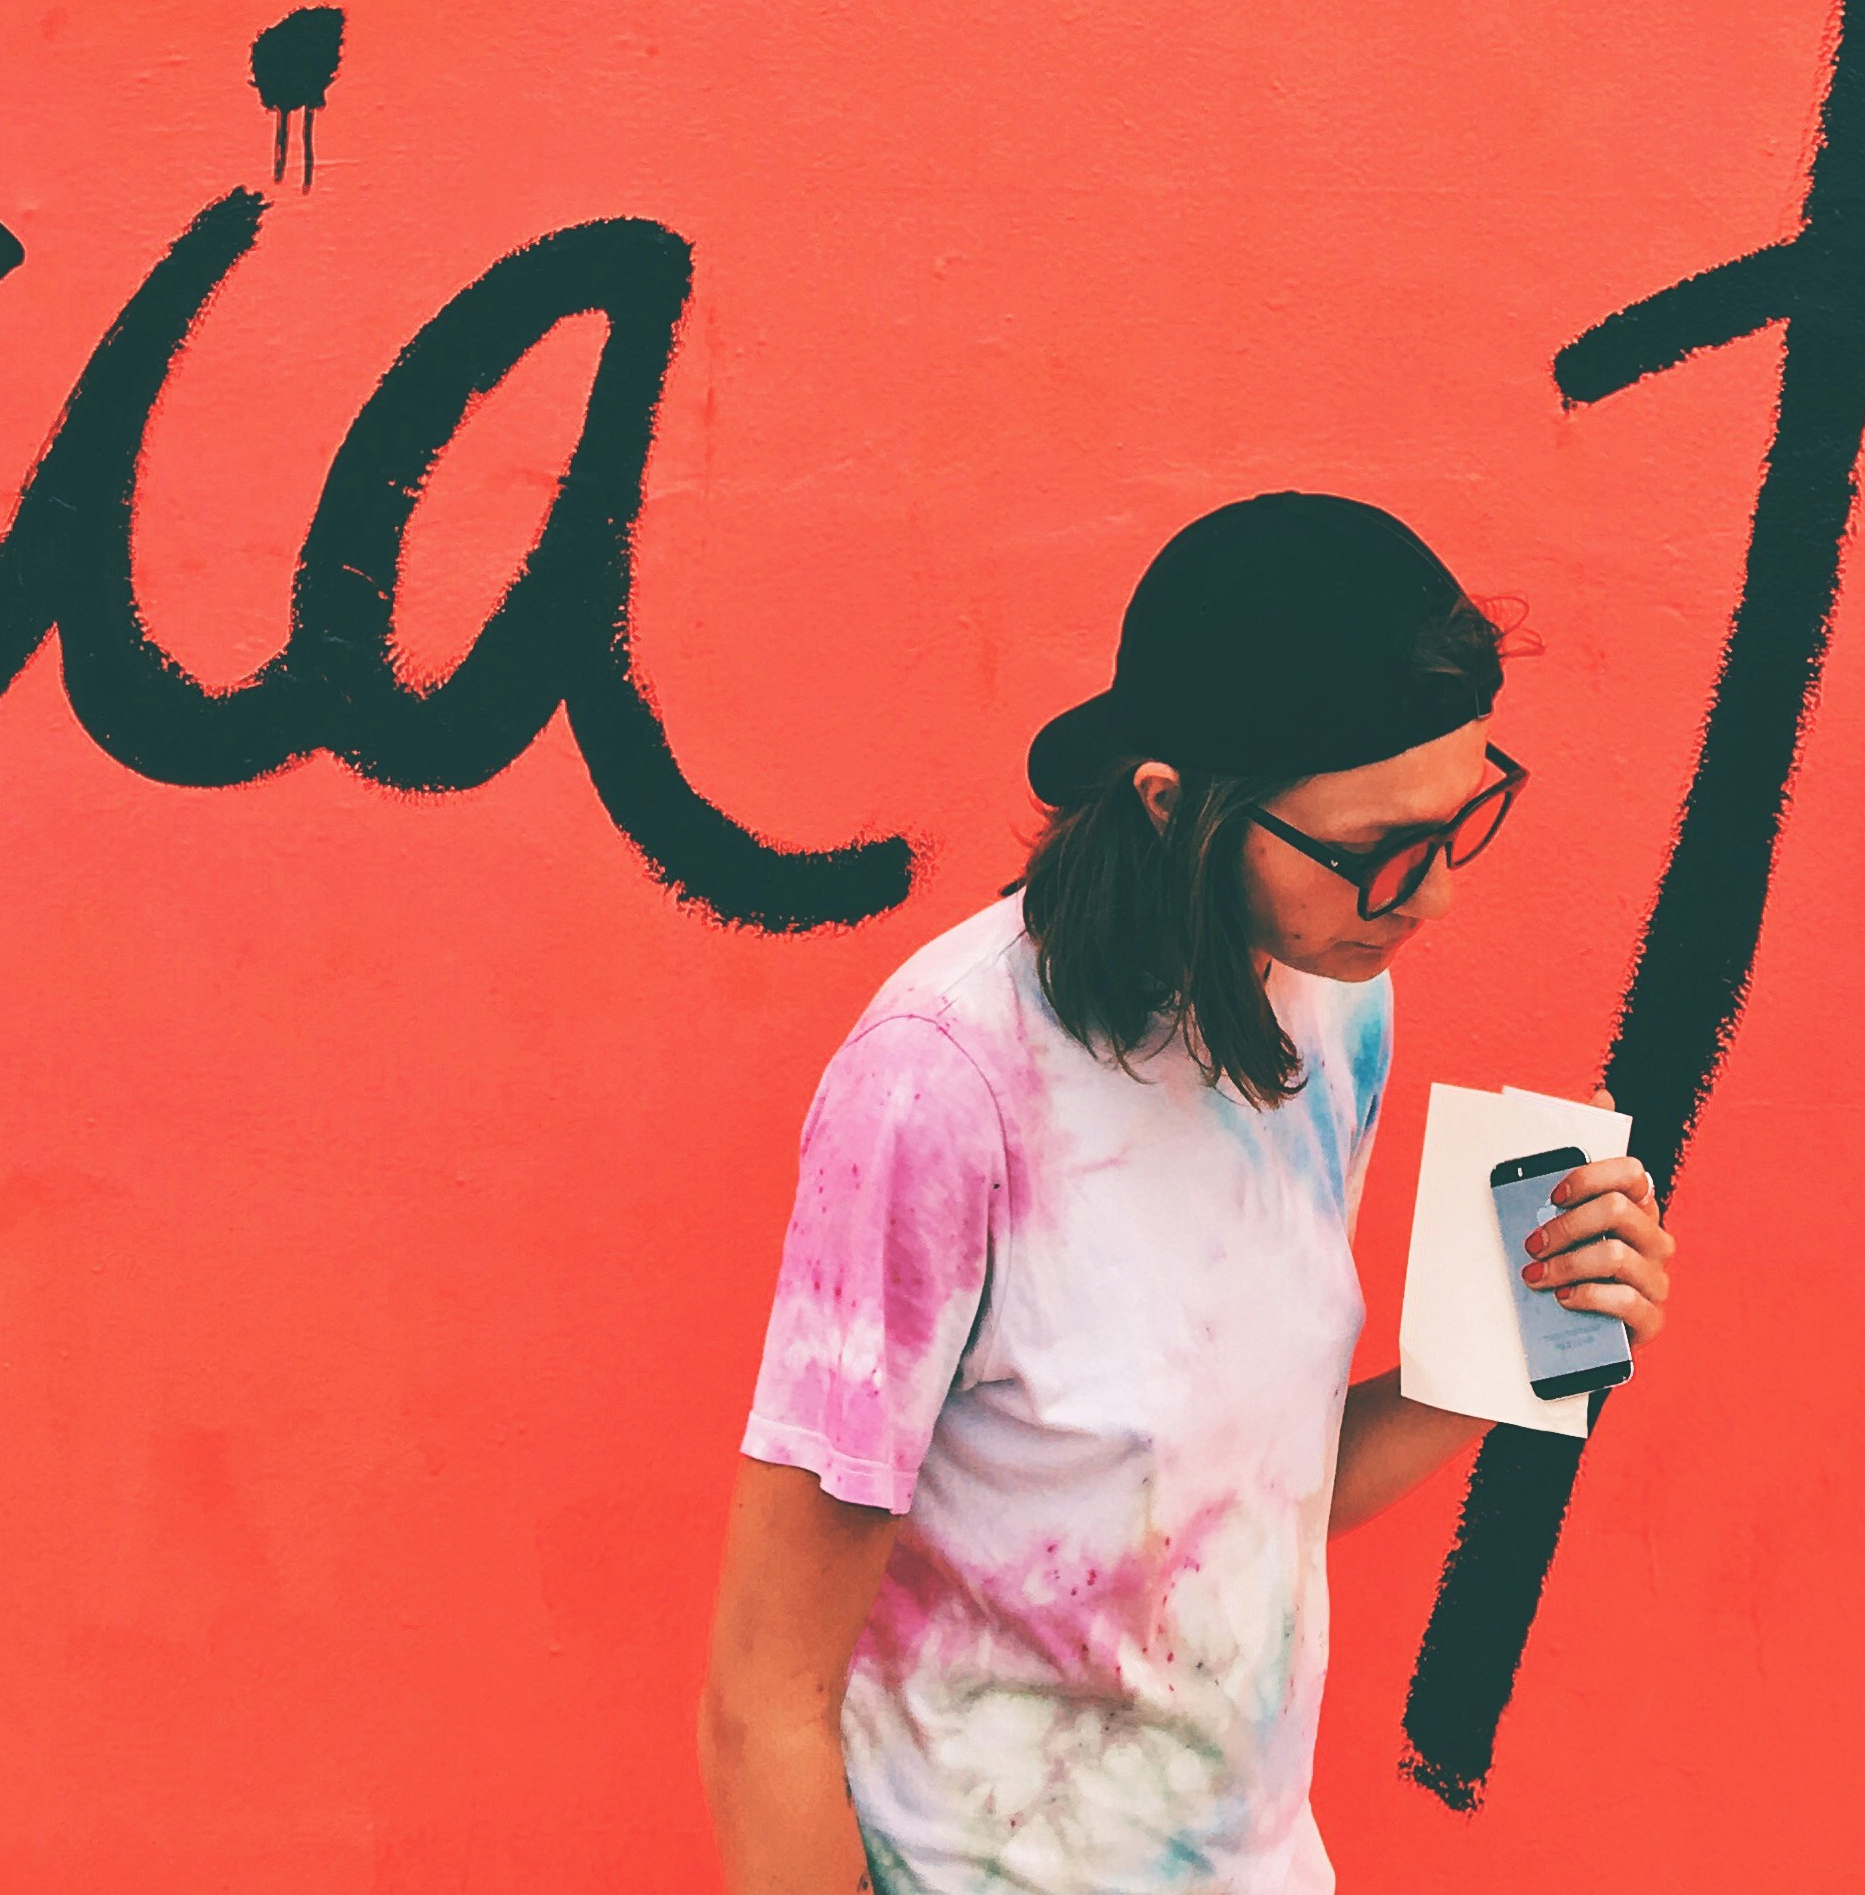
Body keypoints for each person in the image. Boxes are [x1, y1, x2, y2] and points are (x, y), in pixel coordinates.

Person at [696, 492, 1675, 1895]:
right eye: (1384, 850)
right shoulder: (941, 1089)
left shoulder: (1335, 1009)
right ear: (1173, 803)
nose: (1434, 898)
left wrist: (1524, 1339)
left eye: (1462, 821)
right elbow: (762, 1699)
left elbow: (1246, 1494)